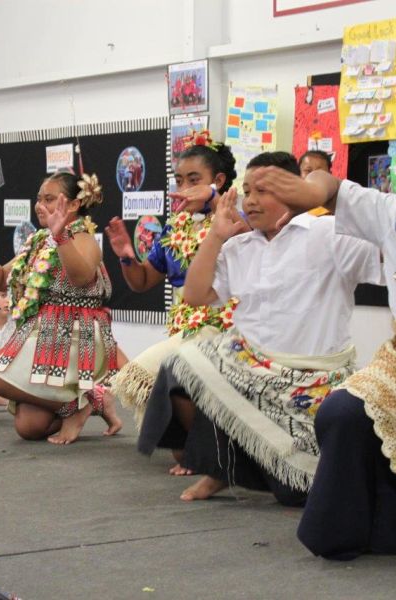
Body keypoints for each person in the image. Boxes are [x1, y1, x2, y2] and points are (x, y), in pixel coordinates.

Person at [138, 151, 382, 504]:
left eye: (262, 191)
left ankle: (259, 465)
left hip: (311, 380)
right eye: (247, 191)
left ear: (292, 190)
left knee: (294, 494)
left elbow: (383, 252)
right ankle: (222, 467)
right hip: (249, 366)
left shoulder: (329, 233)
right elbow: (194, 295)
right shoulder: (239, 246)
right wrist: (216, 237)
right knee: (180, 367)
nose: (250, 201)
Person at [249, 166, 396, 559]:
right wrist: (309, 189)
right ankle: (352, 531)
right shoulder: (389, 211)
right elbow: (331, 188)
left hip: (318, 363)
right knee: (342, 412)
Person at [0, 171, 122, 444]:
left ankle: (81, 405)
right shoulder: (37, 239)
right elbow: (0, 278)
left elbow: (80, 277)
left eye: (49, 199)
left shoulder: (83, 237)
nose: (39, 205)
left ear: (73, 205)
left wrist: (61, 239)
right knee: (29, 427)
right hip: (43, 333)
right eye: (38, 198)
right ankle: (86, 402)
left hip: (74, 338)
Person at [106, 136, 238, 466]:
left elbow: (250, 230)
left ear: (217, 181)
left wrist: (214, 201)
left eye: (195, 180)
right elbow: (143, 281)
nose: (184, 188)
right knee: (180, 446)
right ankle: (210, 446)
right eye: (180, 180)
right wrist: (126, 256)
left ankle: (219, 450)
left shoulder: (233, 219)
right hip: (185, 327)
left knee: (139, 372)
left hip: (224, 327)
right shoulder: (174, 228)